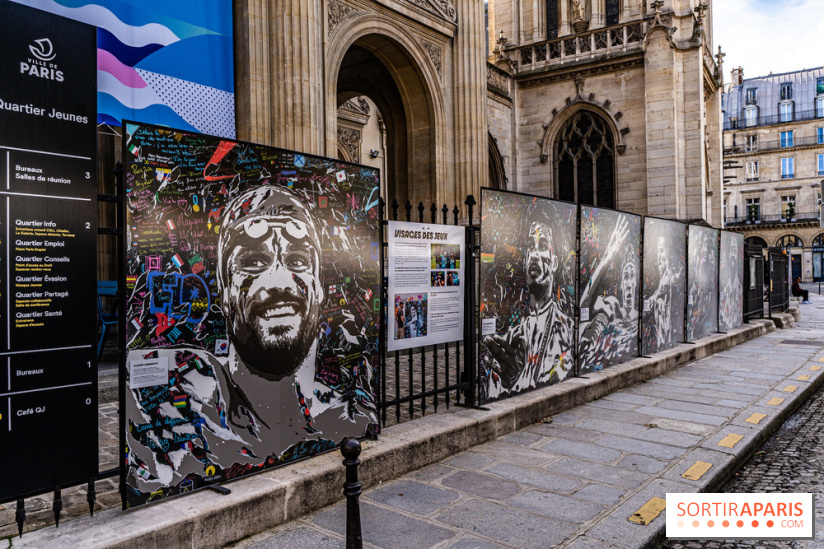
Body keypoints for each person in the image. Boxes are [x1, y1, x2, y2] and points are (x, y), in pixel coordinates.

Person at [125, 185, 375, 500]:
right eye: (254, 262)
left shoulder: (350, 412)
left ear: (319, 288)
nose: (280, 282)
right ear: (225, 292)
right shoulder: (180, 398)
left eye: (298, 260)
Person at [482, 204, 573, 397]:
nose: (534, 254)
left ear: (554, 263)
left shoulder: (567, 331)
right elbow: (492, 392)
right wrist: (507, 381)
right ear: (524, 260)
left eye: (542, 246)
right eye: (531, 246)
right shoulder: (510, 340)